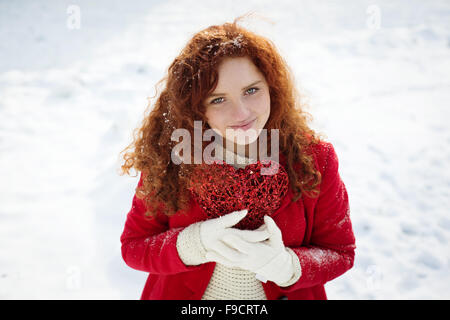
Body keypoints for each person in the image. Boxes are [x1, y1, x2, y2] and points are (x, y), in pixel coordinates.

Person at [119, 15, 356, 300]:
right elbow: (134, 246)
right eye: (218, 99)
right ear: (197, 108)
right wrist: (193, 244)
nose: (241, 113)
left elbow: (340, 251)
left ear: (272, 88)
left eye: (251, 90)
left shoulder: (315, 158)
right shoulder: (174, 157)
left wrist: (288, 266)